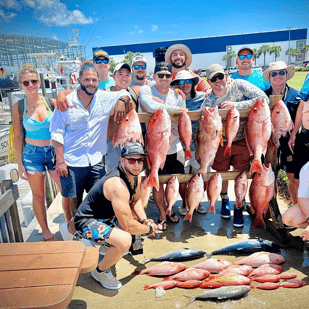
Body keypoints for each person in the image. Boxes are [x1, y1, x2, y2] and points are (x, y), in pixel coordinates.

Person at [50, 63, 131, 238]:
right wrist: (60, 161)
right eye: (87, 79)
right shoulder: (66, 102)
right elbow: (56, 133)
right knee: (75, 201)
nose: (91, 83)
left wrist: (120, 101)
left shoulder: (104, 97)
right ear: (78, 80)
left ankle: (97, 235)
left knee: (98, 201)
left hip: (96, 161)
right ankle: (77, 234)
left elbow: (125, 92)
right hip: (71, 163)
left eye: (94, 80)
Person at [74, 142, 157, 290]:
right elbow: (128, 226)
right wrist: (149, 229)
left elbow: (136, 200)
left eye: (140, 160)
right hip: (86, 222)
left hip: (105, 217)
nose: (136, 165)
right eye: (131, 160)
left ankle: (108, 246)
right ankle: (100, 271)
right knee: (125, 241)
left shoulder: (134, 175)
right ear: (121, 160)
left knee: (134, 218)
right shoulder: (117, 185)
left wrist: (145, 220)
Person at [200, 64, 269, 227]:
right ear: (209, 82)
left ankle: (239, 203)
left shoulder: (239, 85)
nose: (218, 81)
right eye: (213, 79)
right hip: (222, 142)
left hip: (244, 140)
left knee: (240, 174)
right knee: (222, 172)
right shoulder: (208, 101)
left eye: (220, 76)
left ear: (225, 75)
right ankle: (224, 199)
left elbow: (263, 99)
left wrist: (236, 106)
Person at [12, 64, 70, 241]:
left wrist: (61, 93)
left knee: (66, 190)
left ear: (39, 82)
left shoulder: (50, 102)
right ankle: (46, 231)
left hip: (53, 153)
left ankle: (71, 223)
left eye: (34, 81)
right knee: (38, 196)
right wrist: (20, 163)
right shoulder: (18, 107)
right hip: (31, 155)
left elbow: (72, 96)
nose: (31, 85)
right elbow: (17, 136)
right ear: (21, 85)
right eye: (26, 82)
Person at [139, 62, 188, 230]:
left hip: (175, 147)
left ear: (172, 77)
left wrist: (163, 106)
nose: (164, 78)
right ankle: (161, 213)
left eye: (167, 75)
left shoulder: (178, 95)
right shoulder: (146, 90)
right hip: (154, 147)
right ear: (154, 77)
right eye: (160, 75)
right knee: (157, 182)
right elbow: (150, 105)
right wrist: (172, 109)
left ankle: (170, 209)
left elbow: (183, 113)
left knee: (174, 182)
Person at [262, 61, 300, 205]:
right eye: (274, 73)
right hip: (269, 143)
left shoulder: (297, 96)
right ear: (270, 77)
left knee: (293, 177)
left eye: (281, 73)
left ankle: (296, 207)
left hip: (290, 142)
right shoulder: (262, 97)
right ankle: (270, 210)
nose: (278, 76)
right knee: (270, 176)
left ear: (286, 75)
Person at [170, 70, 207, 215]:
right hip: (180, 146)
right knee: (182, 177)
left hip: (199, 146)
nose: (185, 84)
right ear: (176, 84)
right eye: (181, 81)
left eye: (188, 81)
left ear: (193, 83)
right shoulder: (173, 98)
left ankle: (197, 203)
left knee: (200, 175)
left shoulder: (203, 97)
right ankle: (185, 203)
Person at [105, 62, 139, 173]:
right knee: (113, 177)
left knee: (133, 178)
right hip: (112, 146)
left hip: (133, 145)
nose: (124, 77)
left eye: (127, 74)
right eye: (120, 74)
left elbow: (159, 87)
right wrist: (60, 96)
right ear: (113, 76)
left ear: (131, 77)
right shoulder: (105, 93)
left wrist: (176, 90)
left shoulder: (135, 92)